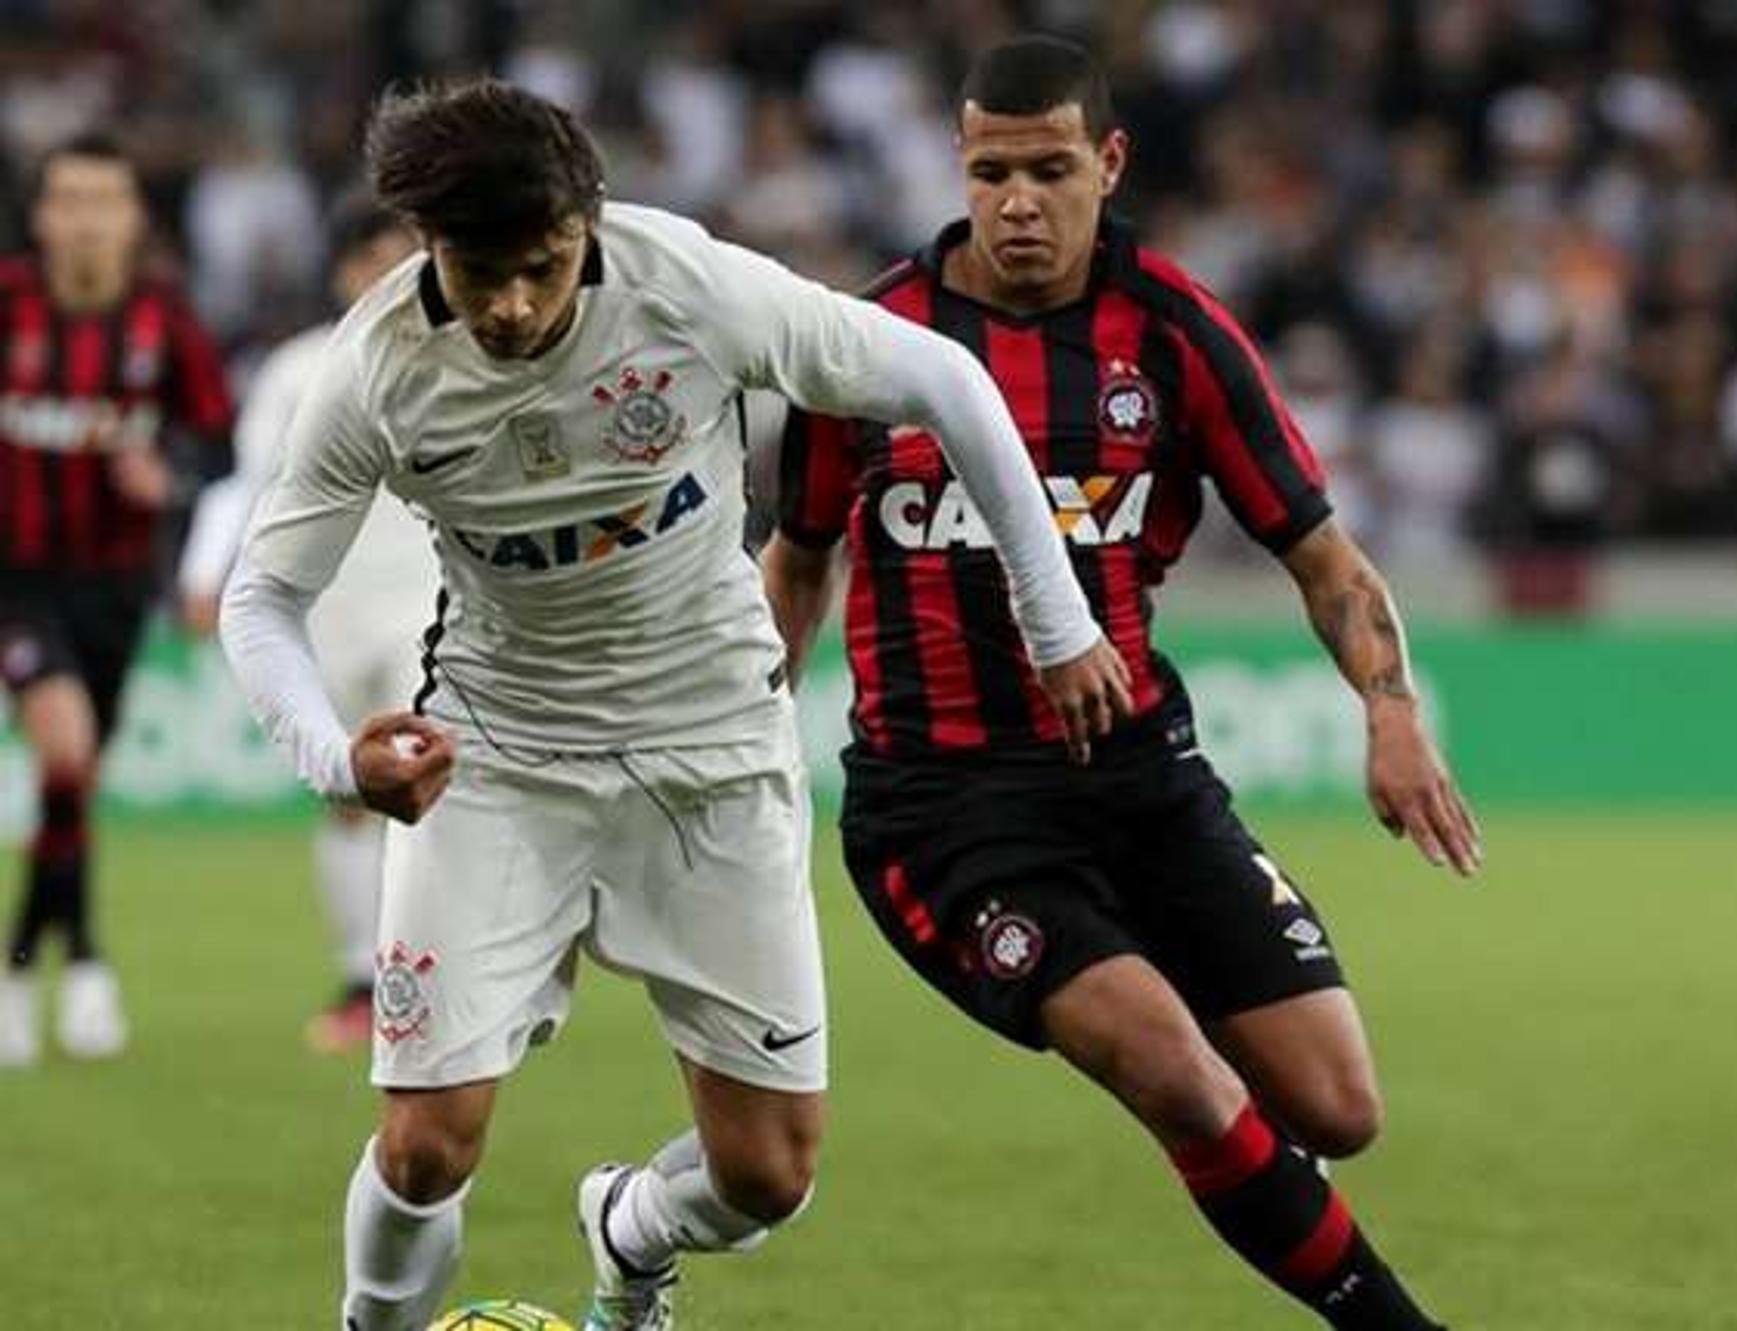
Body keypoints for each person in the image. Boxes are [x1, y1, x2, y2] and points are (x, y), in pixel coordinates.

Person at [216, 79, 1130, 1331]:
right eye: (482, 272)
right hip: (503, 763)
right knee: (427, 1146)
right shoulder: (374, 368)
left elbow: (948, 382)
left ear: (586, 220)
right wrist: (335, 758)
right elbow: (259, 597)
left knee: (767, 1174)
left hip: (713, 757)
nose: (516, 303)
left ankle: (628, 1228)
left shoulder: (690, 289)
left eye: (543, 264)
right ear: (430, 247)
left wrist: (1058, 617)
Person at [766, 37, 1481, 1331]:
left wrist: (1391, 710)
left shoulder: (1176, 334)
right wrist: (745, 728)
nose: (1018, 201)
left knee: (1335, 1107)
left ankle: (1258, 1178)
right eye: (990, 171)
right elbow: (798, 561)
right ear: (960, 170)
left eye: (1048, 168)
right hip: (948, 810)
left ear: (1109, 162)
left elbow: (1323, 558)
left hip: (1140, 775)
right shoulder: (868, 345)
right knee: (1174, 1067)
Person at [0, 132, 233, 1067]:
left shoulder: (161, 322)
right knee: (65, 746)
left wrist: (167, 469)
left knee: (77, 777)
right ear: (43, 214)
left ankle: (69, 957)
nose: (86, 216)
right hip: (13, 580)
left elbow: (218, 442)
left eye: (105, 198)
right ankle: (33, 969)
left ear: (134, 217)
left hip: (116, 586)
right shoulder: (7, 302)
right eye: (68, 197)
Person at [178, 192, 429, 1051]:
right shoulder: (298, 369)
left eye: (400, 254)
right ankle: (363, 976)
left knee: (426, 794)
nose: (383, 273)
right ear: (341, 270)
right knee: (348, 798)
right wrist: (206, 570)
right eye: (368, 257)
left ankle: (424, 975)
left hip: (428, 611)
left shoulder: (462, 361)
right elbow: (249, 480)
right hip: (325, 612)